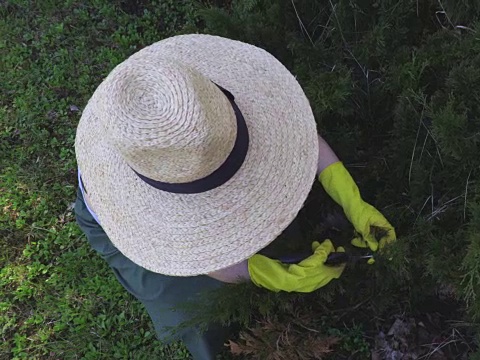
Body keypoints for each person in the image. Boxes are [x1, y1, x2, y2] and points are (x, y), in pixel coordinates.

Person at [73, 34, 396, 359]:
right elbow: (204, 260)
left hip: (174, 172)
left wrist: (353, 201)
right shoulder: (138, 181)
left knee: (266, 232)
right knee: (192, 306)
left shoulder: (191, 105)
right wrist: (270, 274)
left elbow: (303, 140)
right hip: (136, 212)